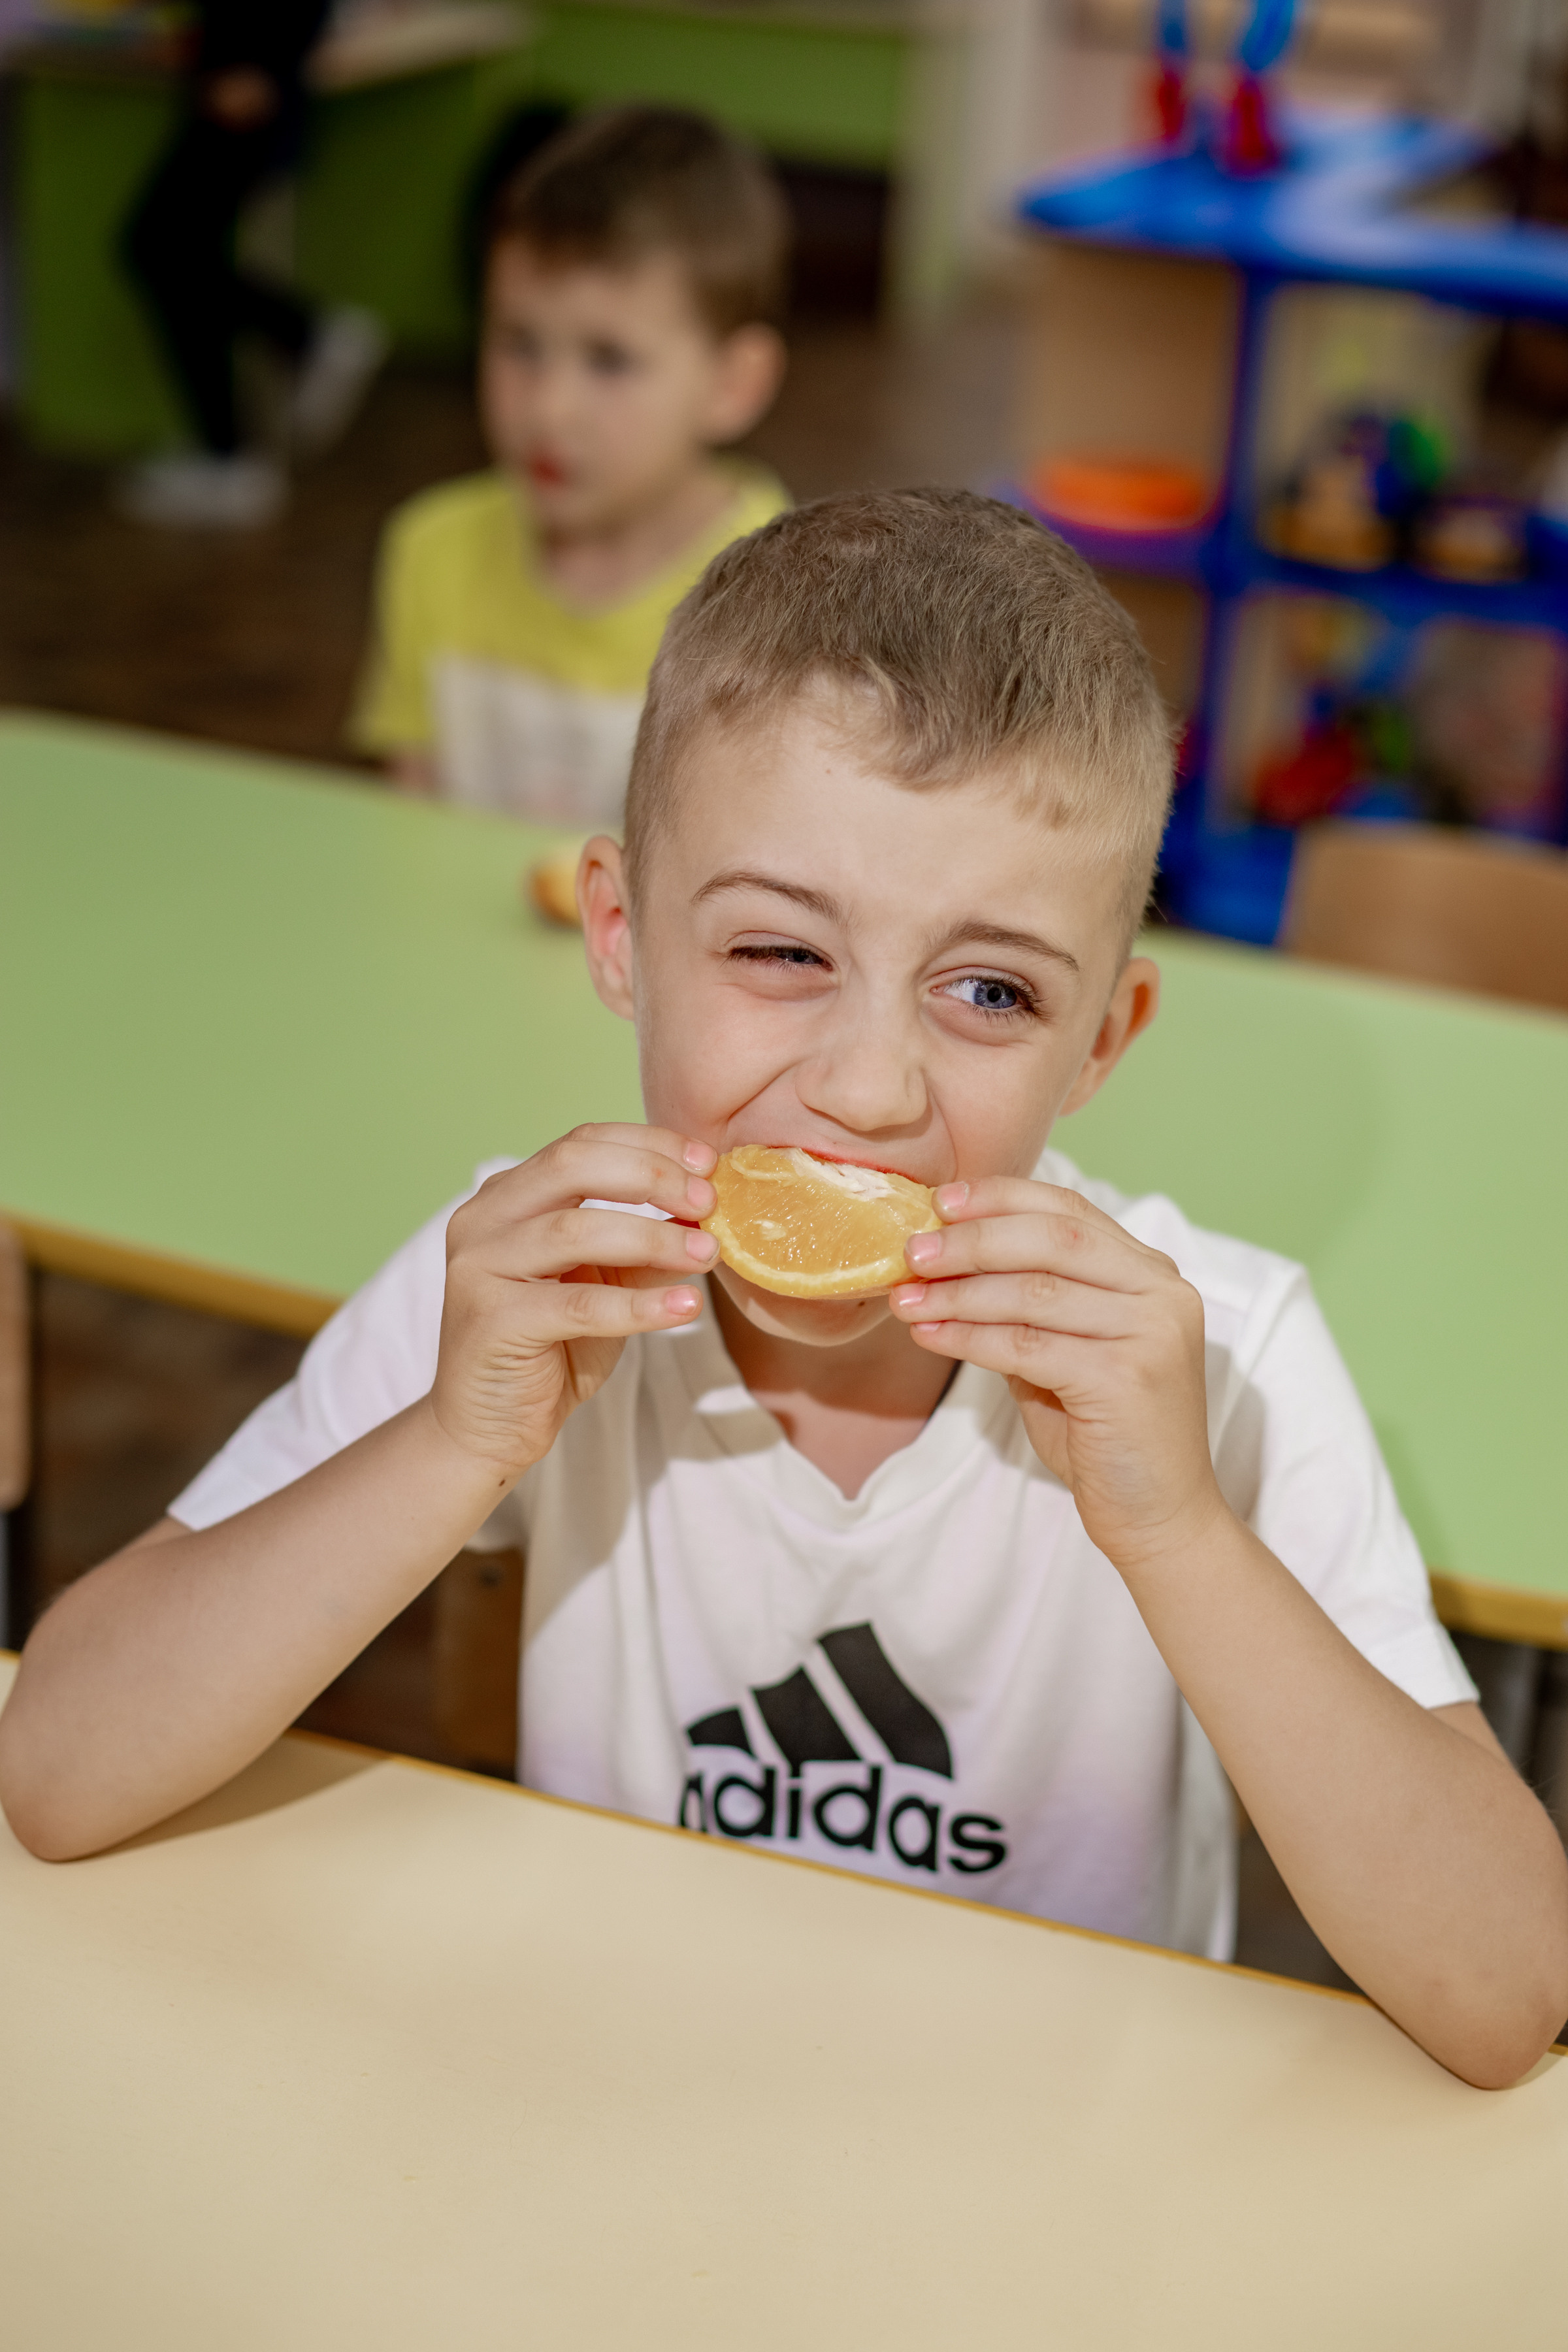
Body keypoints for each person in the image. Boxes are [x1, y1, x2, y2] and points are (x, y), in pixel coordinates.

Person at [3, 491, 1565, 2091]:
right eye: (778, 953)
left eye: (986, 990)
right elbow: (57, 1770)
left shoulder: (1215, 1354)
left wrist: (1174, 1527)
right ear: (618, 935)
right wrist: (445, 1448)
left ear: (1099, 1038)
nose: (869, 1089)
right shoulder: (539, 1274)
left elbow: (1500, 1990)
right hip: (613, 2113)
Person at [350, 105, 789, 826]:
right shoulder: (430, 551)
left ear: (733, 384)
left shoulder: (778, 606)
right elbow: (411, 838)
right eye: (520, 343)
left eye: (609, 360)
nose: (549, 411)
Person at [120, 1, 388, 530]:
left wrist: (256, 64)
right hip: (238, 79)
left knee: (160, 248)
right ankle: (230, 447)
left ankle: (307, 340)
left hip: (245, 88)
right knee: (176, 255)